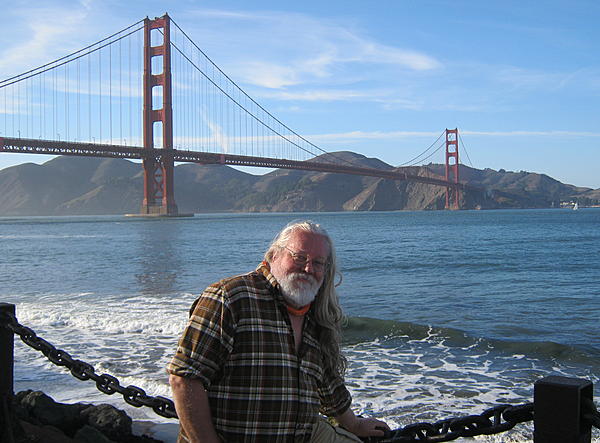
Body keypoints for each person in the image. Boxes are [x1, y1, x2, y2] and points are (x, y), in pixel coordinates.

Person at [167, 220, 390, 442]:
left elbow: (328, 382)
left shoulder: (313, 311)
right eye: (299, 257)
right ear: (274, 256)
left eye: (318, 262)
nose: (308, 269)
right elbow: (184, 378)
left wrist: (354, 424)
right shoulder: (231, 298)